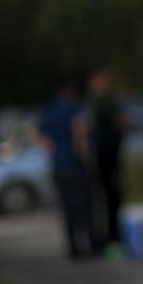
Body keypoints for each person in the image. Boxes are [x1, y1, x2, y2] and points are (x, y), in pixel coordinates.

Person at [37, 80, 97, 259]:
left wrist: (54, 150)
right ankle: (89, 244)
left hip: (59, 165)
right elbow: (80, 132)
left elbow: (40, 137)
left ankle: (72, 247)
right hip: (74, 164)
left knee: (66, 207)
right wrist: (85, 157)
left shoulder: (48, 110)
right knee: (84, 206)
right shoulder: (72, 108)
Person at [88, 66, 127, 249]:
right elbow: (121, 123)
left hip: (104, 155)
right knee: (111, 198)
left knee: (107, 199)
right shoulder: (106, 103)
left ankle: (110, 237)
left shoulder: (94, 103)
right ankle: (113, 238)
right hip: (107, 155)